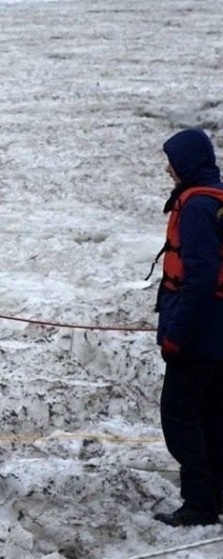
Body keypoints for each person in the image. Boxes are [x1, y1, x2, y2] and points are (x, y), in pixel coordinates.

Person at [153, 128, 223, 527]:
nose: (168, 169)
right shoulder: (216, 199)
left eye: (172, 161)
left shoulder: (197, 207)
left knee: (179, 416)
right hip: (218, 332)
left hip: (199, 334)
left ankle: (198, 501)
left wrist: (177, 334)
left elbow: (199, 277)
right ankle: (215, 495)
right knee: (212, 415)